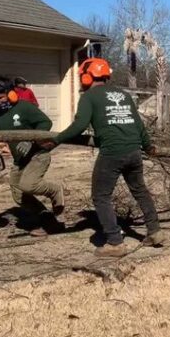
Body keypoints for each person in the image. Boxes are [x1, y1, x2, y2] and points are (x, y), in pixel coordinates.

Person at [52, 58, 162, 257]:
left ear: (87, 76)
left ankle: (114, 242)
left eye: (82, 77)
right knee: (140, 191)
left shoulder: (89, 97)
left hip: (112, 152)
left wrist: (56, 140)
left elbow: (79, 126)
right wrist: (148, 146)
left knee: (101, 196)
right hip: (134, 151)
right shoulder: (123, 94)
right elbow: (138, 125)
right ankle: (154, 231)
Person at [0, 75, 64, 217]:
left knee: (28, 185)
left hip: (37, 155)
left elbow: (45, 123)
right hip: (20, 160)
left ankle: (54, 190)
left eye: (0, 97)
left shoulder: (24, 107)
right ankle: (46, 219)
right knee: (18, 193)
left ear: (11, 94)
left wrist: (30, 139)